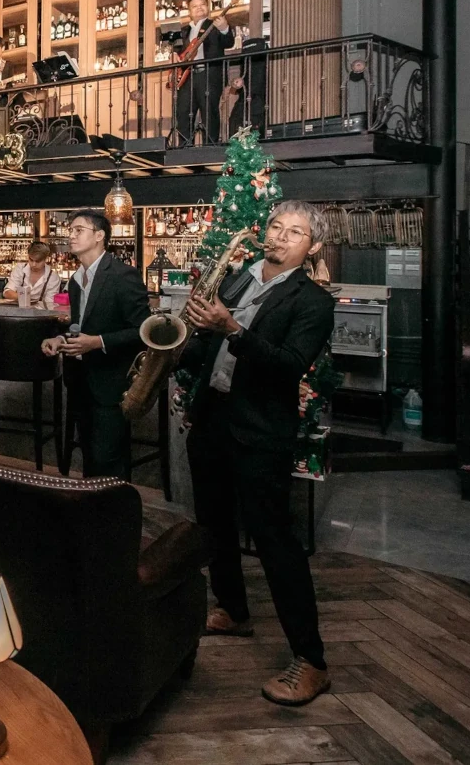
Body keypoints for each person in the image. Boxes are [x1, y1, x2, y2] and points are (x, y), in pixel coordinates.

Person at [179, 200, 336, 707]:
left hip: (261, 430)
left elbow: (289, 365)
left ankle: (311, 661)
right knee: (213, 523)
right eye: (276, 226)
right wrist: (193, 340)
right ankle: (232, 610)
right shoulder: (238, 279)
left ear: (311, 247)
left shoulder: (313, 301)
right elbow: (208, 347)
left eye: (296, 232)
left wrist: (232, 330)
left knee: (274, 540)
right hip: (214, 418)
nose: (281, 237)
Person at [39, 209, 148, 479]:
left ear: (99, 236)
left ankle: (115, 517)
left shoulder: (123, 275)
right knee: (89, 454)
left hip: (112, 381)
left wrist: (97, 342)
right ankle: (92, 517)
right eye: (71, 230)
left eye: (78, 230)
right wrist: (61, 339)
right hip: (81, 380)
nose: (71, 236)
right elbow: (81, 328)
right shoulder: (76, 280)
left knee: (106, 458)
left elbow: (143, 331)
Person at [171, 0, 233, 146]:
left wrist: (225, 28)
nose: (199, 8)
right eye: (194, 6)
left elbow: (229, 42)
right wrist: (173, 56)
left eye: (202, 5)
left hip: (208, 75)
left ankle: (209, 148)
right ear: (190, 11)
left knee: (209, 113)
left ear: (208, 7)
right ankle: (184, 149)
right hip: (187, 77)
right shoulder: (183, 30)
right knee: (183, 114)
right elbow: (176, 51)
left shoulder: (215, 24)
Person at [2, 241, 59, 310]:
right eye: (31, 260)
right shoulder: (20, 269)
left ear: (46, 259)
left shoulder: (53, 277)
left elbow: (50, 304)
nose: (33, 264)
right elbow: (7, 292)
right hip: (18, 312)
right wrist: (23, 297)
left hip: (41, 316)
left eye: (38, 261)